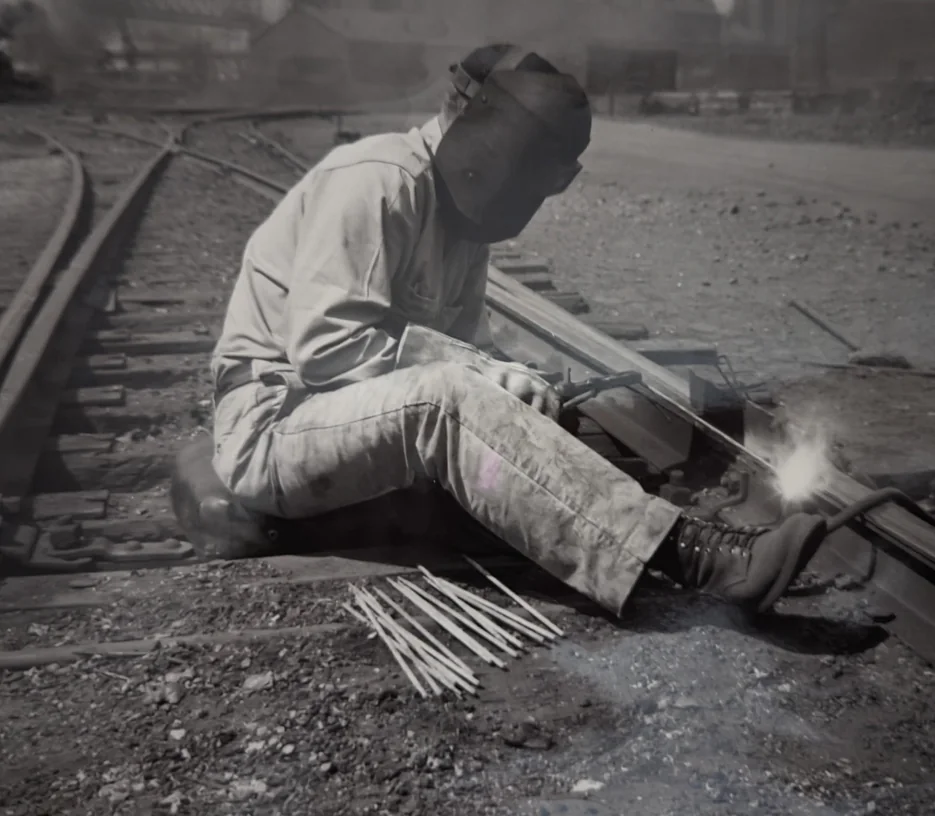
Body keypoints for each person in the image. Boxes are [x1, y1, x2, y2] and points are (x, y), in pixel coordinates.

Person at [208, 44, 828, 618]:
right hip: (276, 426)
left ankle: (632, 529)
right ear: (478, 125)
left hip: (350, 432)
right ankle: (698, 558)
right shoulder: (377, 180)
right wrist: (479, 374)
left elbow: (461, 348)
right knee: (445, 399)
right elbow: (327, 347)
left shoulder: (458, 216)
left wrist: (517, 384)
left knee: (496, 406)